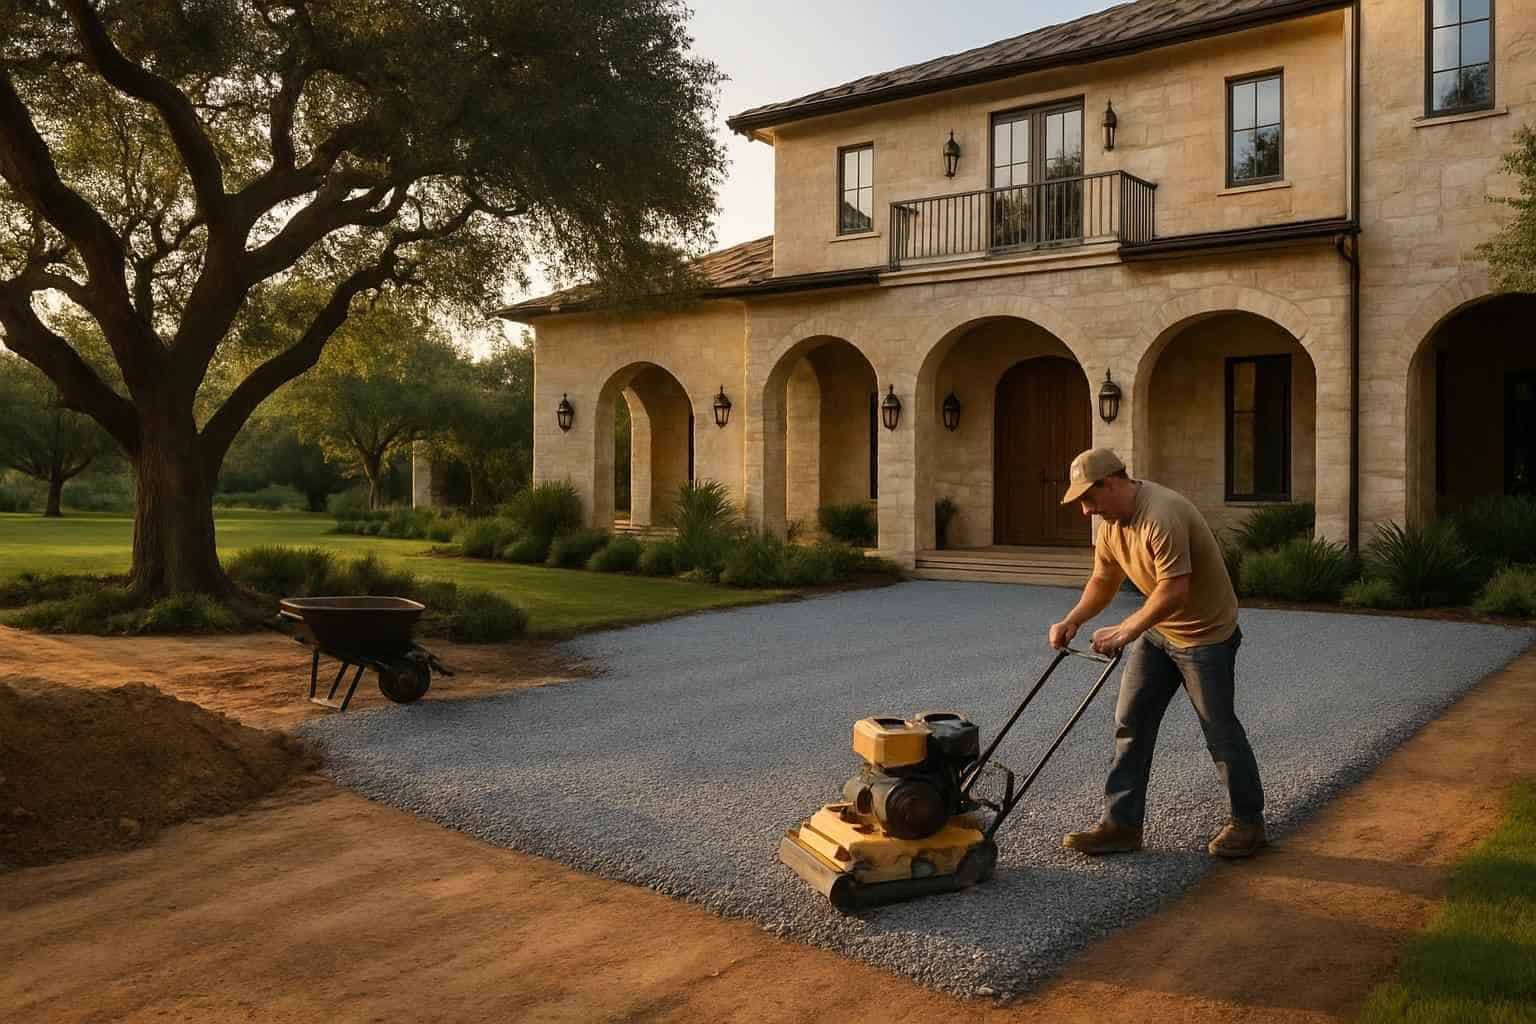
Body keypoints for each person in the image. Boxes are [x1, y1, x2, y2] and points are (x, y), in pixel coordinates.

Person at [1047, 448, 1266, 859]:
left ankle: (1249, 823)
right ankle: (1121, 826)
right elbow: (1103, 578)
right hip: (1160, 632)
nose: (1085, 511)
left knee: (1219, 730)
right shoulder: (1112, 522)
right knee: (1131, 721)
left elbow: (1174, 590)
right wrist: (1073, 619)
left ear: (1112, 483)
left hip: (1206, 637)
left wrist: (1128, 629)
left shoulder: (1161, 513)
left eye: (1089, 499)